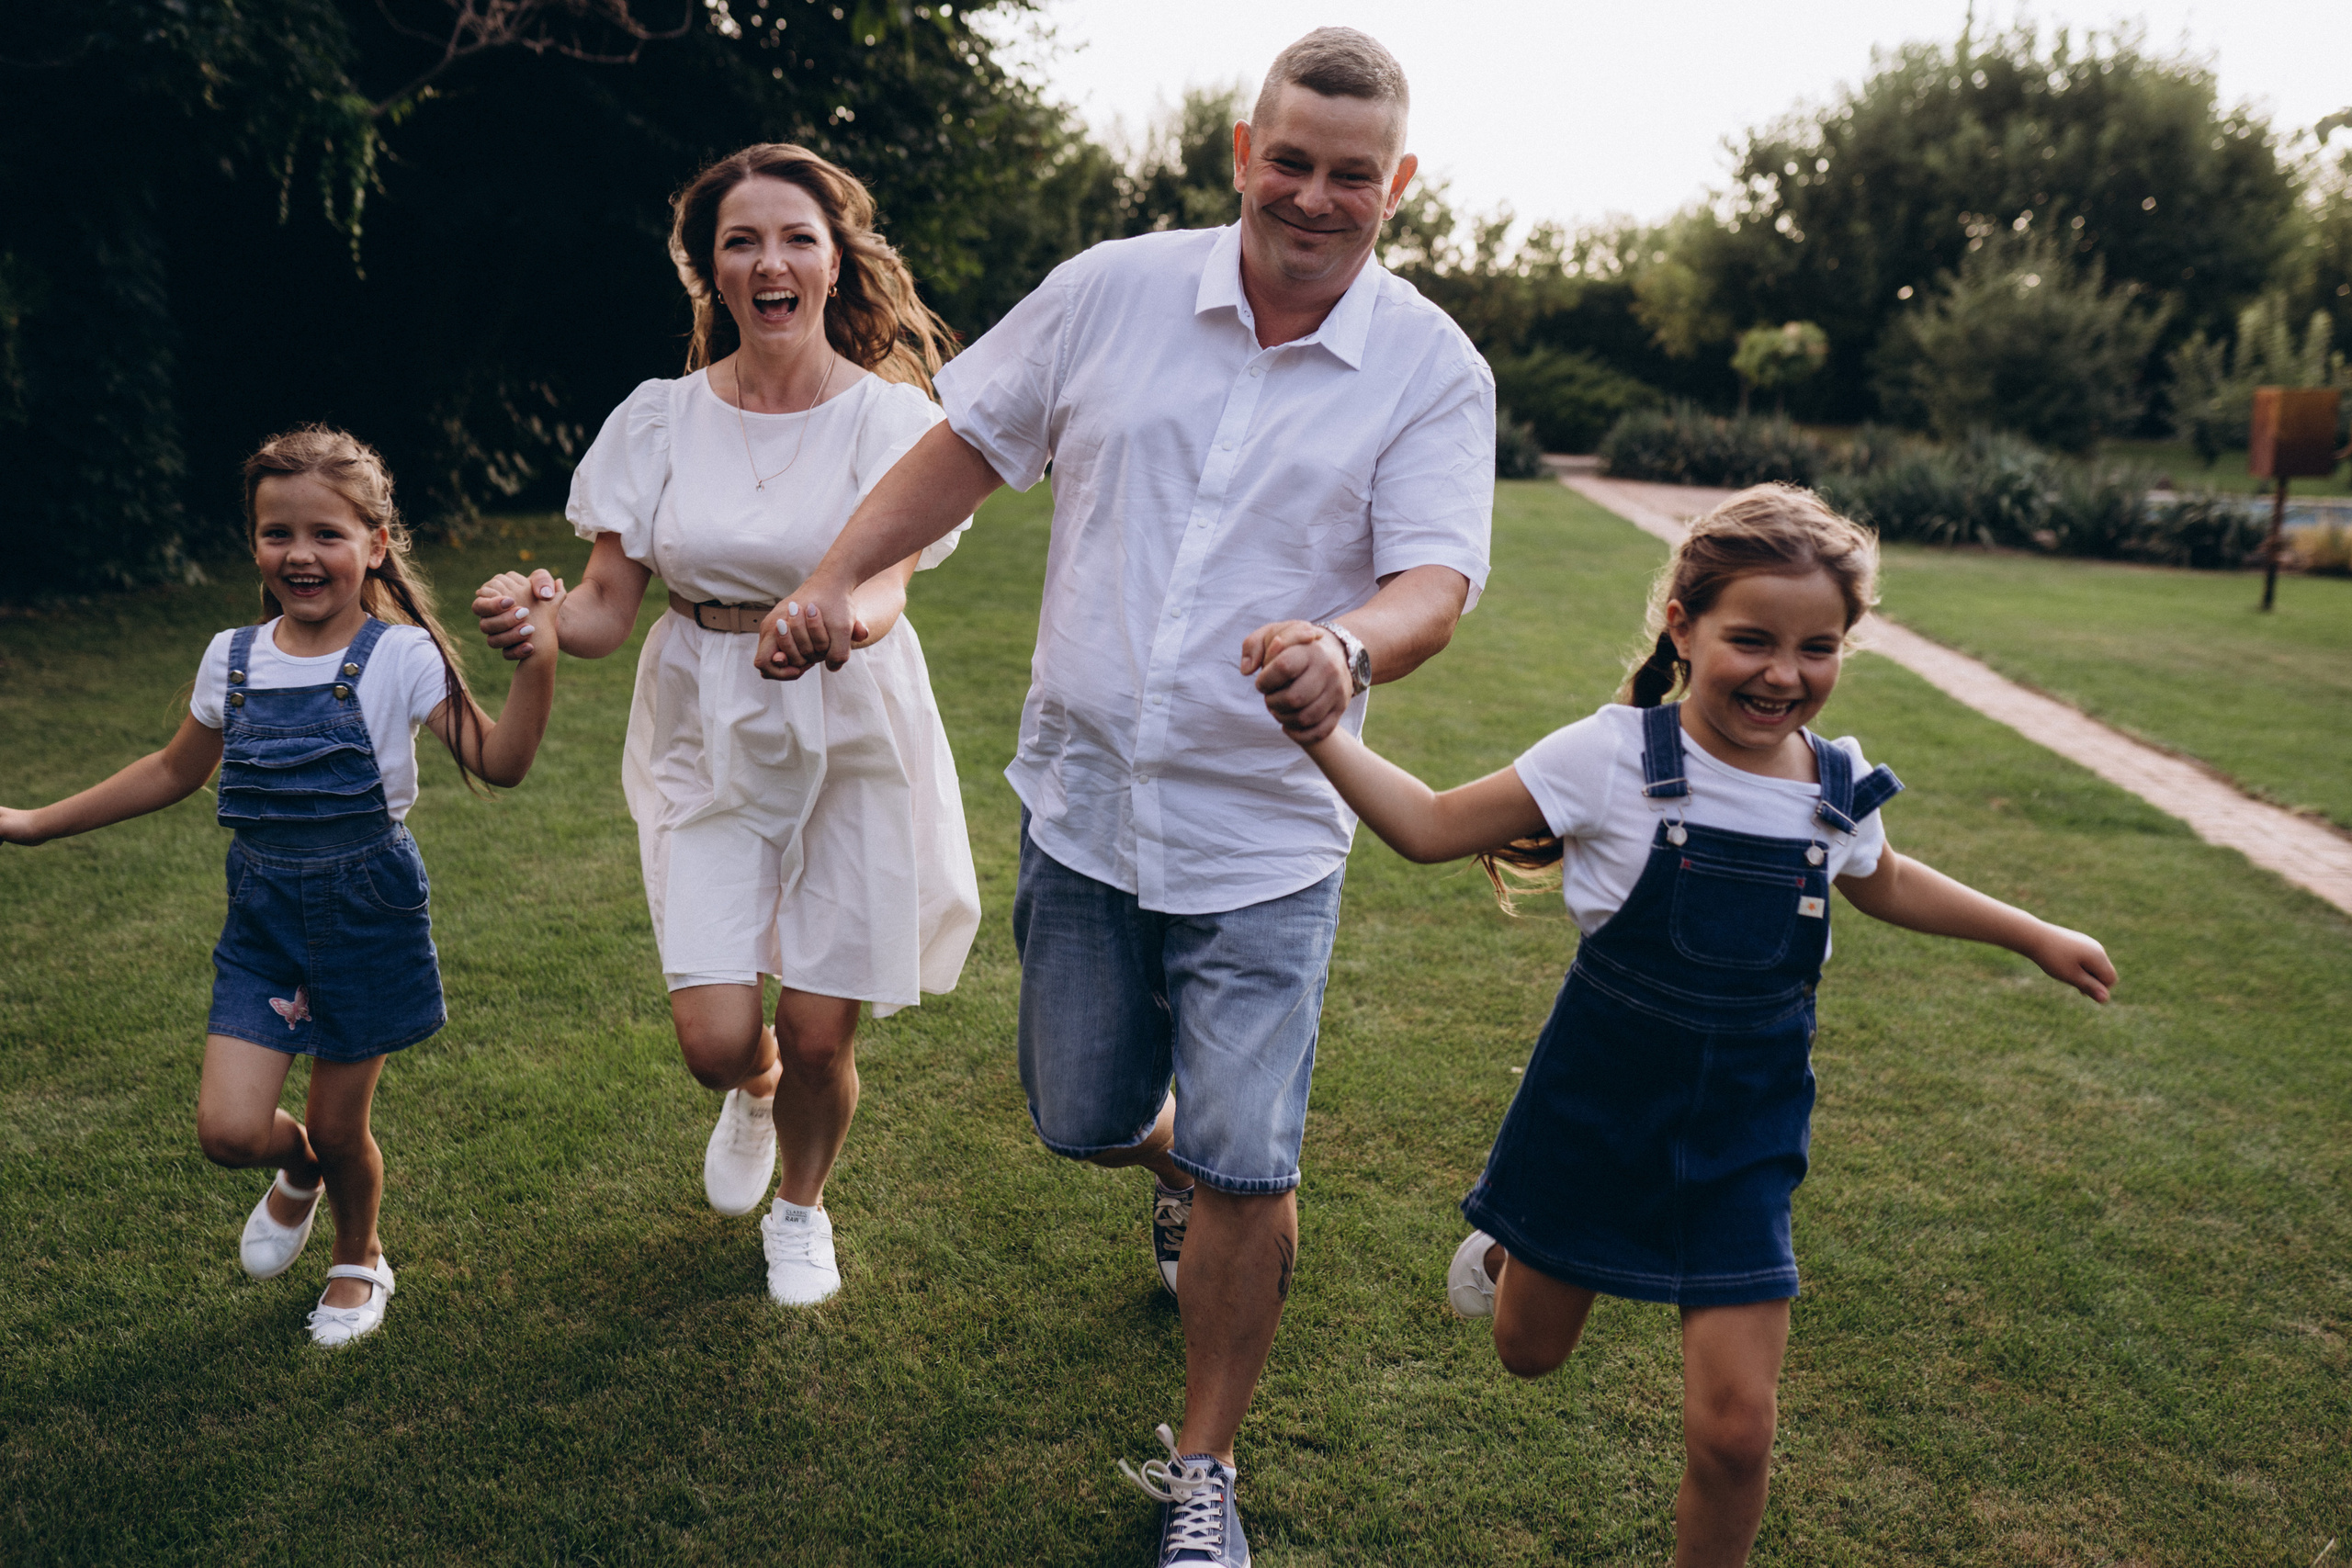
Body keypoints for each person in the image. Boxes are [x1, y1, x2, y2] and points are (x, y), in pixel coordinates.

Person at [761, 28, 1491, 1566]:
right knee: (1083, 1109)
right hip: (1087, 809)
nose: (1314, 195)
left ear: (1397, 184)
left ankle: (1205, 1465)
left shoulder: (1434, 367)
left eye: (1351, 175)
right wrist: (836, 576)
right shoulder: (1112, 288)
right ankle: (1178, 1170)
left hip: (1266, 837)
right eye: (1289, 161)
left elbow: (1435, 580)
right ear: (1243, 151)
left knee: (1250, 1153)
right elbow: (966, 447)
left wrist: (1349, 644)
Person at [1267, 486, 2118, 1566]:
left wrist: (2032, 932)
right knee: (1528, 1354)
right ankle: (1513, 1249)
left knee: (1734, 1433)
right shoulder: (1612, 757)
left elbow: (1888, 881)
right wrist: (1321, 731)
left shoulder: (1836, 788)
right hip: (1594, 1113)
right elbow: (1432, 828)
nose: (1783, 673)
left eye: (1818, 647)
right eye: (1752, 639)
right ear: (1682, 624)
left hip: (1743, 1143)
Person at [472, 144, 979, 1307]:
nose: (770, 261)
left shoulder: (890, 421)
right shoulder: (656, 421)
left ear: (834, 258)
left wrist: (833, 618)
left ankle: (802, 1207)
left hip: (851, 724)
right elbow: (607, 609)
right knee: (719, 1038)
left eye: (796, 237)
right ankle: (747, 1091)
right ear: (709, 269)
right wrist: (543, 616)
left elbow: (888, 586)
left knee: (819, 1030)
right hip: (702, 716)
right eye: (741, 241)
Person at [0, 426, 561, 1348]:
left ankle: (360, 1258)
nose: (300, 555)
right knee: (226, 1131)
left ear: (375, 545)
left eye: (326, 535)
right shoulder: (231, 657)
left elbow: (500, 762)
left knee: (347, 1127)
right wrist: (30, 821)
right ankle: (294, 1166)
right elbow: (173, 769)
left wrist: (536, 662)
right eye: (276, 533)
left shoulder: (402, 657)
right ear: (254, 541)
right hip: (263, 920)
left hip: (366, 915)